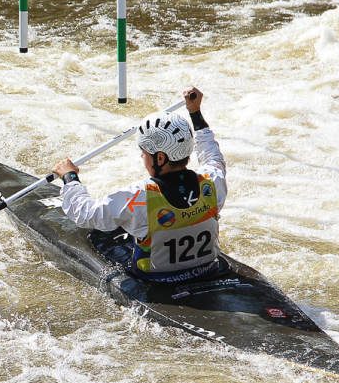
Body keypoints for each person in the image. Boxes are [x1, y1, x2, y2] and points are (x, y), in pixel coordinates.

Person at [51, 87, 227, 283]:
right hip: (208, 271)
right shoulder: (212, 181)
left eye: (144, 152)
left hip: (157, 281)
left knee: (118, 227)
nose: (142, 156)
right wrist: (195, 112)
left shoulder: (140, 196)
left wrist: (70, 178)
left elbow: (85, 214)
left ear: (159, 157)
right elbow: (212, 154)